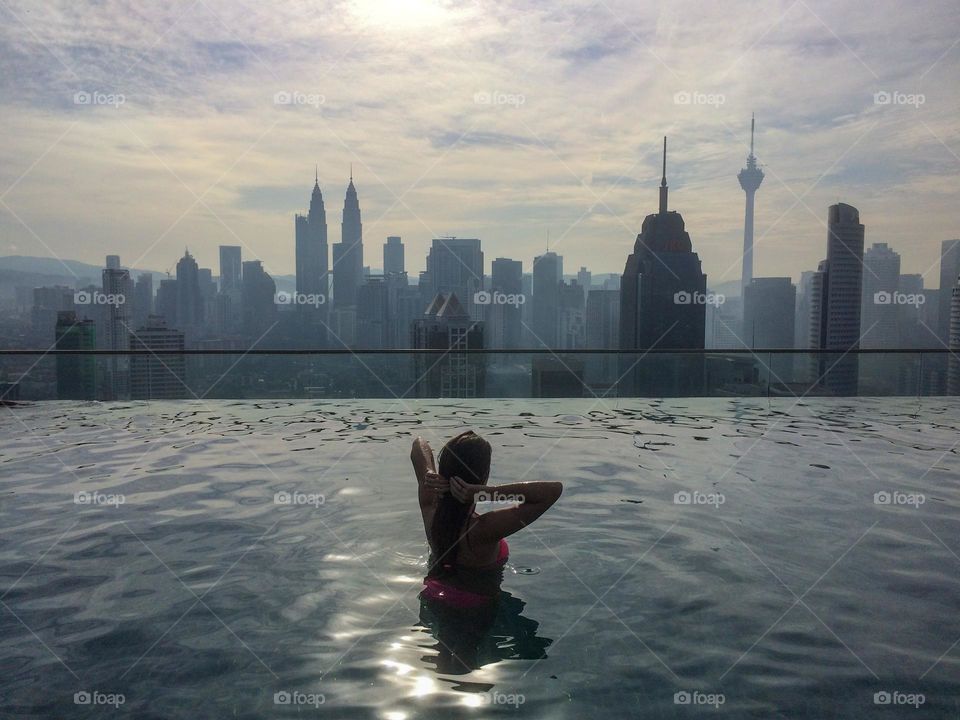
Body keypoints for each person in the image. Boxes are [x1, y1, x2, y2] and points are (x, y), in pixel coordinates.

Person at [410, 430, 562, 673]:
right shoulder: (484, 529)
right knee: (465, 667)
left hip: (434, 596)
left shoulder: (431, 506)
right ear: (482, 476)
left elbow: (418, 445)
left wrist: (429, 474)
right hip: (474, 608)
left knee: (447, 660)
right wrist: (485, 492)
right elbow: (553, 491)